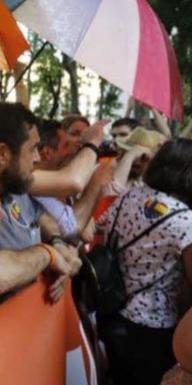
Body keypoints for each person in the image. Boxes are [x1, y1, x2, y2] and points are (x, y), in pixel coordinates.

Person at [0, 102, 79, 305]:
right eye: (33, 149)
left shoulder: (14, 187)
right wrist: (48, 255)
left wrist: (57, 242)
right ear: (2, 153)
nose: (37, 158)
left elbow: (41, 217)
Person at [98, 139, 192, 385]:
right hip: (153, 325)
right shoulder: (185, 219)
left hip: (112, 311)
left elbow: (99, 227)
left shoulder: (130, 196)